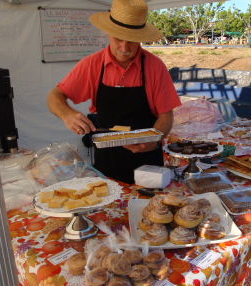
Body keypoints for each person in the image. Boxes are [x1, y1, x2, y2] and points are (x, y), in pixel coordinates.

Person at [47, 0, 181, 184]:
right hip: (107, 163)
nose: (125, 48)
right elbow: (55, 96)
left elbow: (166, 116)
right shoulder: (92, 65)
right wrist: (67, 114)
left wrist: (155, 139)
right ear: (108, 33)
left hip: (148, 166)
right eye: (118, 39)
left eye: (132, 41)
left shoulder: (155, 67)